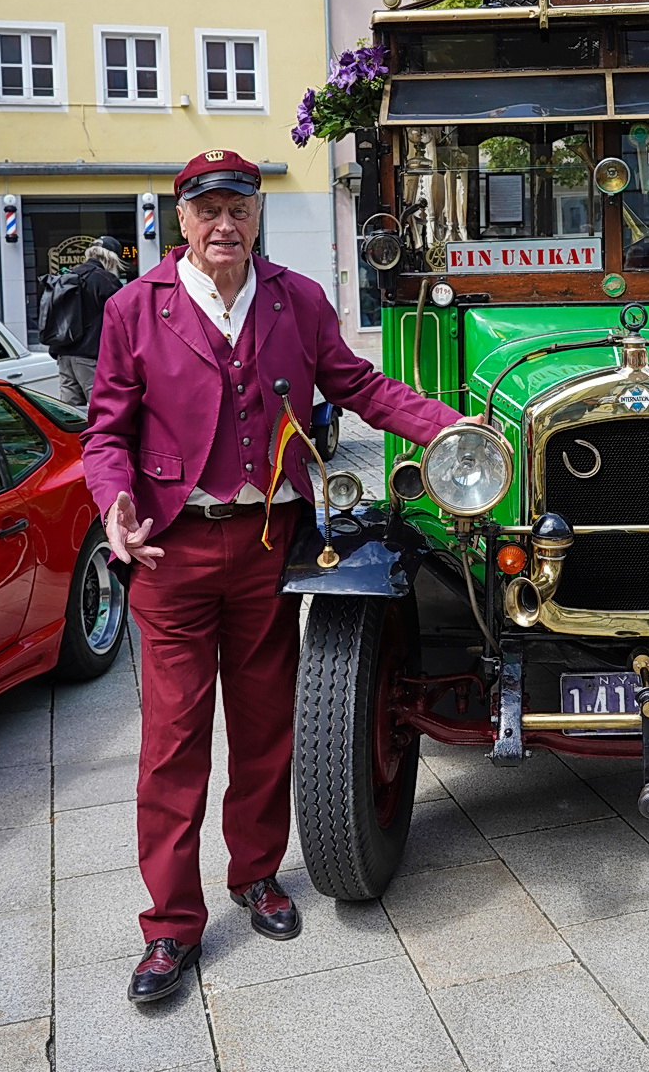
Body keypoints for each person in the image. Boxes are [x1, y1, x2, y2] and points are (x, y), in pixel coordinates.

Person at [81, 151, 464, 1004]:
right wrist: (112, 502)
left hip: (266, 545)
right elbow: (106, 432)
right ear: (180, 218)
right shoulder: (133, 310)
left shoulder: (295, 298)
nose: (224, 226)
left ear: (257, 217)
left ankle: (255, 877)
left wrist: (445, 426)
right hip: (171, 552)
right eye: (207, 210)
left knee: (264, 732)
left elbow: (357, 383)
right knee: (172, 745)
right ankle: (170, 928)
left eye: (238, 210)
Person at [54, 238, 125, 407]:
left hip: (64, 355)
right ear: (112, 258)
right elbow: (123, 318)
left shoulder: (69, 275)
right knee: (103, 411)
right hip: (89, 356)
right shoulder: (106, 280)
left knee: (71, 413)